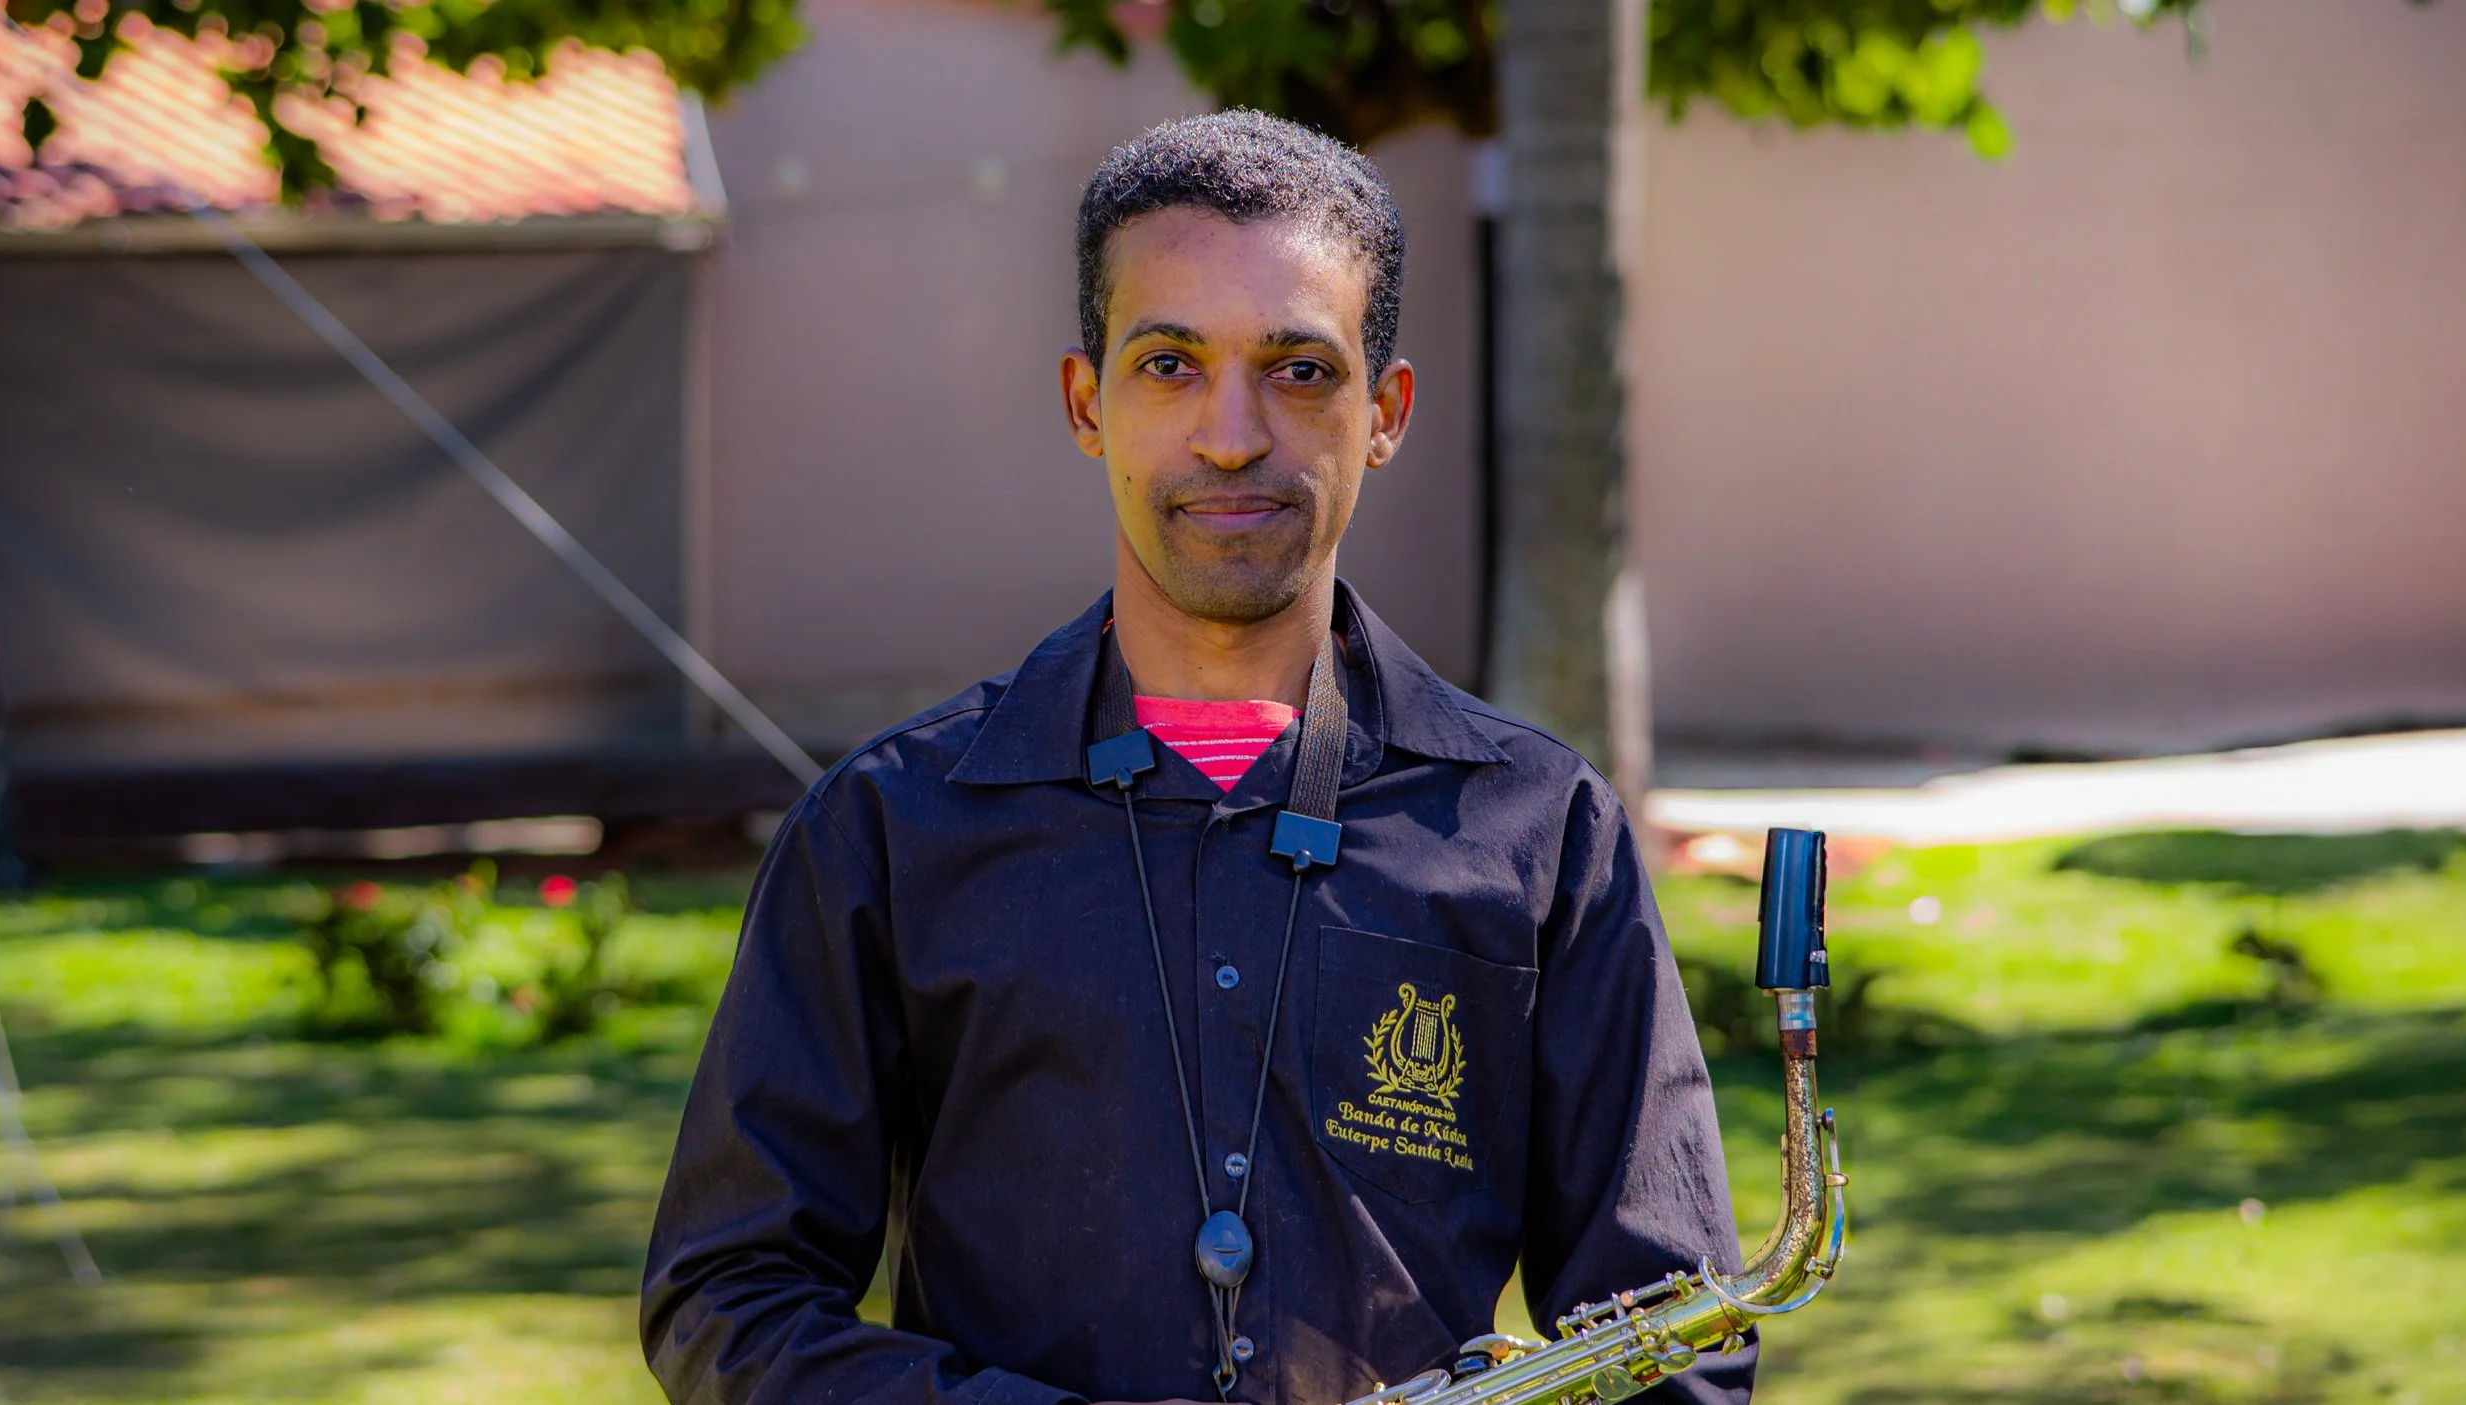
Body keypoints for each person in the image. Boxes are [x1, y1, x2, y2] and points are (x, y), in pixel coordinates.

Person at [642, 110, 1750, 1405]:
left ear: (1384, 413)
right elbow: (728, 1300)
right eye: (1169, 365)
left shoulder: (1545, 832)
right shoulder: (889, 829)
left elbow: (1680, 1340)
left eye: (1300, 370)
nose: (1231, 434)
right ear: (1087, 403)